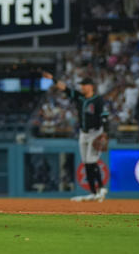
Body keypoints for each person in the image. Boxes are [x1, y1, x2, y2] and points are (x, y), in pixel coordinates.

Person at [42, 72, 110, 201]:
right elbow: (65, 88)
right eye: (81, 85)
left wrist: (105, 133)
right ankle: (94, 192)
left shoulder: (98, 100)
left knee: (91, 161)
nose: (82, 87)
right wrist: (53, 79)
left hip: (95, 133)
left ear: (90, 86)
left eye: (84, 85)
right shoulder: (79, 97)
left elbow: (105, 116)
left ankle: (101, 188)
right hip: (83, 133)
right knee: (86, 163)